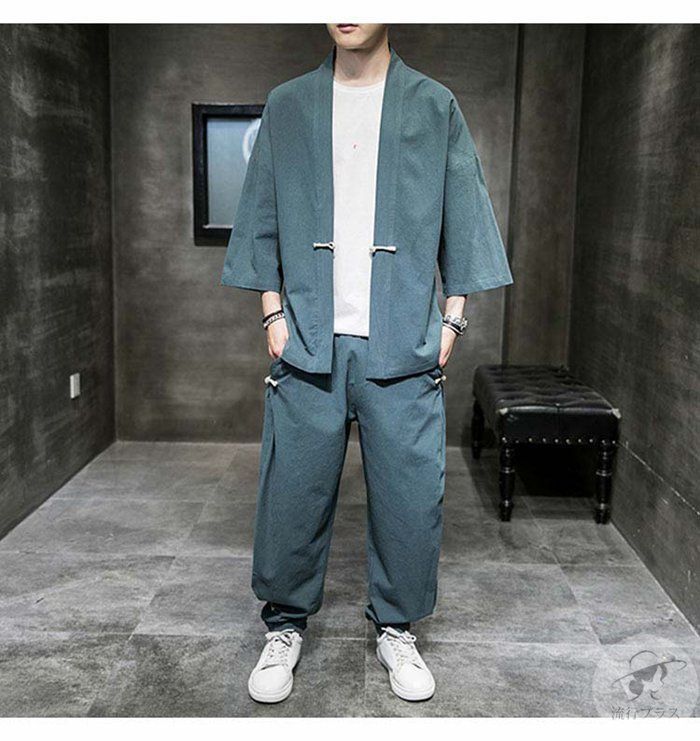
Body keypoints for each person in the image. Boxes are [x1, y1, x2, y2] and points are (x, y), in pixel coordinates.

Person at [222, 23, 512, 704]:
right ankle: (283, 626)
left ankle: (397, 628)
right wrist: (272, 313)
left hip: (403, 339)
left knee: (410, 497)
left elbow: (465, 210)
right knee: (292, 492)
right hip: (308, 339)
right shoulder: (289, 103)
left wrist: (452, 319)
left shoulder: (433, 104)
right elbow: (260, 211)